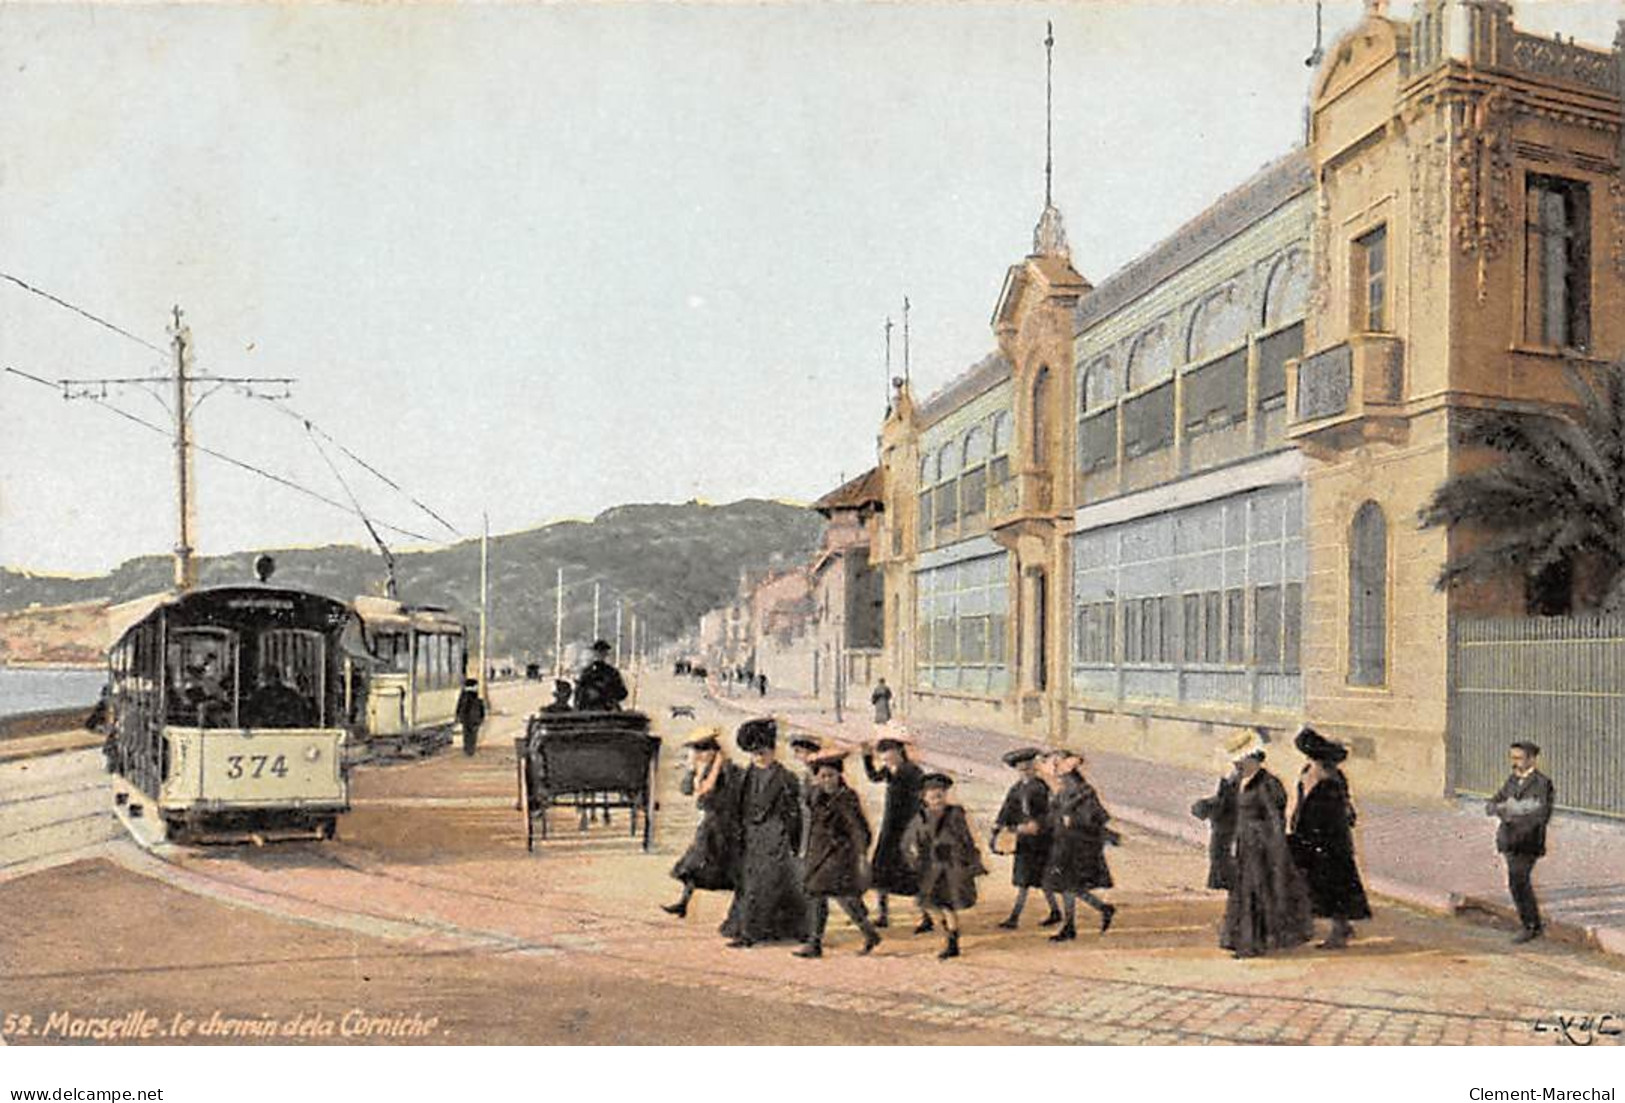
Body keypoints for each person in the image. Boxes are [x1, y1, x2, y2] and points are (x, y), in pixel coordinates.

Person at [1218, 729, 1312, 959]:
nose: (1238, 765)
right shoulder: (1239, 781)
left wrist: (1273, 848)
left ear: (1253, 758)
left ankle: (1252, 944)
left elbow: (1275, 819)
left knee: (1257, 894)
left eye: (1241, 760)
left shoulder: (1268, 784)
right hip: (1243, 846)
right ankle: (1239, 939)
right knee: (1241, 893)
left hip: (1262, 848)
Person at [720, 718, 809, 947]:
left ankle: (754, 933)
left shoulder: (786, 778)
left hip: (775, 837)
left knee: (772, 884)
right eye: (755, 753)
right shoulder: (744, 777)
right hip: (750, 837)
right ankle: (747, 929)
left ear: (772, 750)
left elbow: (794, 814)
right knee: (749, 885)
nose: (760, 757)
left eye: (763, 752)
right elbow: (736, 809)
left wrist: (794, 842)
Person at [1288, 727, 1372, 950]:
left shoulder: (1331, 780)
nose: (1312, 760)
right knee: (1315, 883)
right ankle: (1335, 927)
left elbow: (1341, 814)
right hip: (1311, 836)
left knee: (1335, 884)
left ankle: (1339, 931)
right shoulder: (1307, 773)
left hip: (1331, 841)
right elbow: (1301, 804)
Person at [795, 749, 882, 958]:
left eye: (831, 775)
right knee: (837, 897)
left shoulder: (846, 797)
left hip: (840, 856)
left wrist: (860, 854)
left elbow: (859, 829)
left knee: (828, 895)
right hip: (819, 855)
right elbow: (805, 802)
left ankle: (816, 943)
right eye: (822, 776)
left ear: (839, 775)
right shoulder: (816, 795)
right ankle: (868, 933)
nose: (827, 780)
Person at [905, 772, 986, 960]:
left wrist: (972, 861)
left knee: (948, 904)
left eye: (940, 795)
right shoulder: (920, 818)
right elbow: (910, 840)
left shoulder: (955, 813)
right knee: (930, 904)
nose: (937, 799)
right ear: (924, 798)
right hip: (930, 867)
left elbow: (966, 838)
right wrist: (913, 857)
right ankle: (945, 930)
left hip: (951, 866)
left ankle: (952, 942)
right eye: (932, 796)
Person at [665, 727, 743, 919]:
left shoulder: (727, 770)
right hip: (710, 825)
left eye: (700, 751)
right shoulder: (706, 768)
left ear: (711, 751)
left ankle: (738, 914)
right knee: (692, 866)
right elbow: (685, 789)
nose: (697, 756)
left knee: (730, 873)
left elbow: (711, 798)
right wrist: (691, 770)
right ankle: (683, 904)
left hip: (724, 827)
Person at [1042, 749, 1118, 941]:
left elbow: (1096, 818)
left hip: (1079, 845)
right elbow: (1054, 815)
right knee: (1066, 886)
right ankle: (1098, 910)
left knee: (1069, 886)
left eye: (1062, 775)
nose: (1059, 778)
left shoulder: (1084, 791)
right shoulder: (1064, 791)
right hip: (1064, 843)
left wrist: (1072, 820)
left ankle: (1072, 926)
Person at [1486, 740, 1555, 944]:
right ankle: (1530, 923)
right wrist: (1503, 808)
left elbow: (1540, 814)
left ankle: (1531, 925)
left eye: (1519, 758)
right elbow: (1493, 802)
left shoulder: (1542, 783)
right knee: (1516, 883)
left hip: (1527, 841)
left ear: (1532, 759)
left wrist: (1510, 811)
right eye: (1512, 758)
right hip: (1509, 840)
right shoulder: (1512, 780)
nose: (1515, 762)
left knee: (1518, 881)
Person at [861, 730, 928, 932]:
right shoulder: (891, 770)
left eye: (888, 752)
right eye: (882, 754)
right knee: (881, 869)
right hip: (890, 826)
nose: (885, 757)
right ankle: (883, 915)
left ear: (899, 751)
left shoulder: (912, 771)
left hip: (906, 827)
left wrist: (917, 827)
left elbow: (922, 800)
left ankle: (926, 916)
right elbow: (873, 777)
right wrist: (866, 756)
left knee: (910, 873)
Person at [992, 746, 1061, 930]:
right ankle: (1055, 911)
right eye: (1021, 769)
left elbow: (1050, 812)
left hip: (1042, 840)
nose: (1025, 771)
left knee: (1034, 880)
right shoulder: (1016, 788)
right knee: (1029, 879)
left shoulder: (1041, 787)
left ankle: (1015, 918)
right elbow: (1007, 810)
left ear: (1033, 767)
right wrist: (998, 827)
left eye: (1028, 767)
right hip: (1024, 840)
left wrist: (1038, 825)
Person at [1192, 756, 1241, 892]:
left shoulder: (1241, 778)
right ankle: (1220, 880)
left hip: (1228, 818)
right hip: (1225, 817)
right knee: (1218, 850)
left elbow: (1228, 799)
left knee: (1219, 850)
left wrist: (1210, 804)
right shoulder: (1235, 775)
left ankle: (1224, 880)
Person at [246, 664, 316, 728]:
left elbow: (250, 717)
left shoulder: (260, 696)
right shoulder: (291, 694)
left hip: (267, 732)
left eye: (260, 678)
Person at [789, 734, 823, 858]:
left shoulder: (813, 772)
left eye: (798, 751)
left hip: (807, 816)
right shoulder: (805, 771)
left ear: (809, 752)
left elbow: (812, 798)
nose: (795, 756)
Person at [575, 640, 628, 711]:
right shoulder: (587, 673)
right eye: (598, 651)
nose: (600, 654)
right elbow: (579, 694)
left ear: (606, 654)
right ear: (594, 653)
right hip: (589, 711)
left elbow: (622, 693)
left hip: (608, 710)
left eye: (603, 651)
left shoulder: (612, 673)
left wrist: (608, 696)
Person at [455, 678, 485, 755]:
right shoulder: (476, 696)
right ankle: (471, 750)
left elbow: (459, 707)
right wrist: (481, 718)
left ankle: (468, 749)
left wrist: (458, 716)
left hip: (466, 719)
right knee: (473, 735)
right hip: (474, 719)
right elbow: (481, 708)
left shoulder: (463, 696)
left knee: (467, 735)